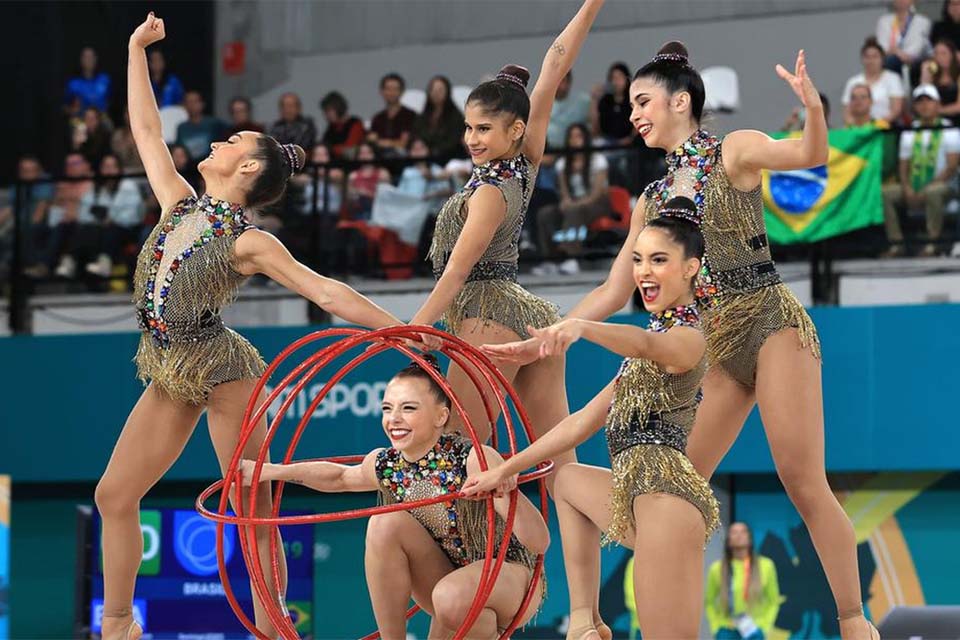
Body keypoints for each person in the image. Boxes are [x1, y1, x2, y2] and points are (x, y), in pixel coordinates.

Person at [485, 42, 879, 640]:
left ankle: (854, 621)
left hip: (770, 322)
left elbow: (811, 152)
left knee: (800, 478)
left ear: (681, 100)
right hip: (710, 346)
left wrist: (813, 108)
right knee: (672, 487)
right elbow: (616, 290)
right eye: (630, 106)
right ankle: (612, 619)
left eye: (643, 101)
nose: (634, 114)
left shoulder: (733, 151)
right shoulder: (650, 201)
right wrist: (549, 336)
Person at [94, 14, 401, 640]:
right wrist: (133, 51)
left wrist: (400, 330)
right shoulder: (177, 201)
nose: (218, 142)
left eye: (233, 140)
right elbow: (146, 127)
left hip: (224, 369)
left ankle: (273, 628)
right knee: (112, 496)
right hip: (172, 369)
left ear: (248, 172)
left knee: (251, 500)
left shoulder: (247, 240)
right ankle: (121, 624)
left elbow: (325, 291)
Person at [464, 197, 719, 639]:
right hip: (636, 495)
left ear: (691, 267)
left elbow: (644, 344)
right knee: (566, 479)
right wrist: (506, 469)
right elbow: (579, 423)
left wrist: (581, 327)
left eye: (659, 260)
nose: (643, 271)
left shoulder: (688, 337)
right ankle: (585, 620)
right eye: (638, 260)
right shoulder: (650, 348)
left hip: (668, 501)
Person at [410, 1, 604, 491]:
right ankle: (579, 565)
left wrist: (418, 325)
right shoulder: (526, 158)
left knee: (456, 453)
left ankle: (491, 561)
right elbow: (554, 64)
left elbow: (456, 273)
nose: (471, 139)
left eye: (483, 129)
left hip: (486, 317)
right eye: (469, 128)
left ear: (513, 129)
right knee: (564, 470)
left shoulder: (490, 193)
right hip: (525, 319)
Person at [239, 356, 548, 638]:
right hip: (447, 580)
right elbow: (338, 477)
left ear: (441, 416)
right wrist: (270, 471)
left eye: (408, 408)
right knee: (383, 523)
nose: (394, 419)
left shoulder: (474, 459)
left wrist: (507, 493)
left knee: (451, 599)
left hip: (509, 578)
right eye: (387, 408)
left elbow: (539, 542)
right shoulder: (387, 464)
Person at [881, 84, 960, 257]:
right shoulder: (910, 131)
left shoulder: (949, 129)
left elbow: (952, 166)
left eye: (929, 101)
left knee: (933, 192)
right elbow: (903, 165)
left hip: (945, 185)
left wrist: (926, 187)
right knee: (886, 193)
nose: (924, 105)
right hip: (914, 184)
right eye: (920, 102)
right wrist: (907, 187)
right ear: (915, 107)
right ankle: (896, 244)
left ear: (938, 104)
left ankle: (932, 244)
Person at [534, 122, 610, 276]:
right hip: (574, 203)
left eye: (579, 136)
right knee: (546, 213)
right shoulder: (563, 164)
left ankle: (571, 257)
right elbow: (564, 192)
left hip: (597, 203)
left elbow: (597, 193)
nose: (575, 140)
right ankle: (550, 259)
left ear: (586, 139)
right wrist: (566, 202)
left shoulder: (598, 160)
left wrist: (575, 204)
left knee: (574, 210)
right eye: (572, 137)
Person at [705, 522, 782, 640]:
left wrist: (764, 627)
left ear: (750, 538)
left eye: (743, 532)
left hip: (754, 630)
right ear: (728, 540)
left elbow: (774, 601)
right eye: (734, 532)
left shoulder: (766, 566)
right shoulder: (717, 569)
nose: (739, 535)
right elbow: (709, 602)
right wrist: (716, 627)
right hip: (726, 631)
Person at [842, 37, 905, 125]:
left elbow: (896, 110)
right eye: (867, 57)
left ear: (882, 59)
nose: (871, 61)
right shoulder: (852, 82)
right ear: (862, 59)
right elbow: (846, 113)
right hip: (857, 131)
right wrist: (857, 129)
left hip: (885, 128)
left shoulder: (893, 78)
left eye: (875, 57)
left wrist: (875, 125)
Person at [413, 75, 466, 160]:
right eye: (433, 90)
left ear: (447, 92)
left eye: (440, 90)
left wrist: (431, 151)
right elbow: (416, 134)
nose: (436, 93)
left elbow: (453, 142)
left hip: (448, 158)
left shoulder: (456, 117)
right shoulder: (423, 116)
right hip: (424, 158)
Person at [875, 0, 932, 74]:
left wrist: (896, 52)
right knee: (890, 61)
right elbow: (882, 48)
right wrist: (899, 54)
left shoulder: (923, 21)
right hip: (890, 63)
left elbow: (916, 49)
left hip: (915, 65)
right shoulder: (884, 21)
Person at [368, 72, 417, 156]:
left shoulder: (410, 115)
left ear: (401, 92)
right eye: (388, 89)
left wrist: (382, 142)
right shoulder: (377, 118)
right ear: (381, 92)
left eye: (395, 89)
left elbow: (403, 144)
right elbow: (371, 141)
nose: (391, 93)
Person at [175, 90, 225, 160]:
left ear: (202, 104)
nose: (192, 105)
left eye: (195, 102)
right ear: (184, 105)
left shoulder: (214, 123)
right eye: (188, 102)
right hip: (189, 167)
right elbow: (179, 148)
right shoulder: (182, 127)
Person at [919, 38, 960, 115]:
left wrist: (938, 111)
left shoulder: (958, 75)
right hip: (937, 120)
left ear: (952, 55)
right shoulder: (932, 75)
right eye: (936, 54)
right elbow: (924, 98)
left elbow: (959, 107)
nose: (939, 57)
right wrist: (925, 73)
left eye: (943, 53)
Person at [320, 91, 366, 159]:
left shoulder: (355, 123)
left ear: (338, 108)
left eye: (328, 111)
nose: (326, 115)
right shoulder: (331, 127)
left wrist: (332, 149)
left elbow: (350, 152)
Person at [65, 46, 111, 112]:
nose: (89, 60)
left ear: (96, 59)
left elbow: (111, 102)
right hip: (80, 119)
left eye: (91, 57)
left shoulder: (105, 80)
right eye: (86, 57)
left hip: (102, 118)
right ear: (81, 59)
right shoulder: (73, 84)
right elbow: (66, 106)